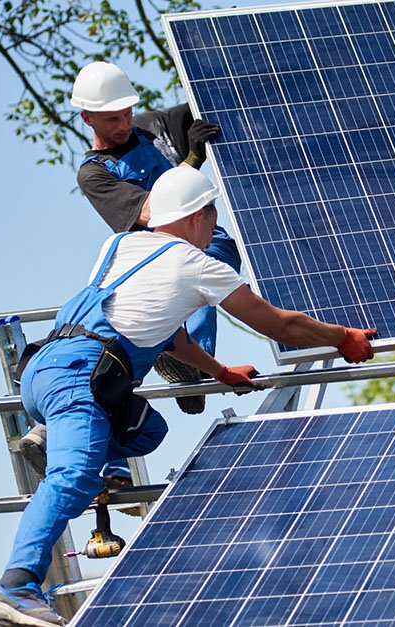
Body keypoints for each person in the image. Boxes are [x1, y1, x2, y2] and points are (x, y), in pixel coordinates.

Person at [0, 168, 376, 627]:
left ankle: (60, 439)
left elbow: (170, 337)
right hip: (81, 379)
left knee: (148, 429)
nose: (214, 228)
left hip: (43, 367)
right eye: (212, 217)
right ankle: (16, 584)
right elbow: (279, 324)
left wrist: (220, 371)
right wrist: (341, 336)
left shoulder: (120, 244)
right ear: (197, 217)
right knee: (73, 478)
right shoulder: (197, 264)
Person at [73, 60, 238, 415]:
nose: (124, 124)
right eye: (112, 119)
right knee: (135, 330)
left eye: (127, 113)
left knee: (216, 253)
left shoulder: (154, 129)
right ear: (88, 118)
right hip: (153, 257)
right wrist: (192, 159)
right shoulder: (94, 174)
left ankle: (191, 365)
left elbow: (213, 101)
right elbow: (157, 211)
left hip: (205, 240)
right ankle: (185, 366)